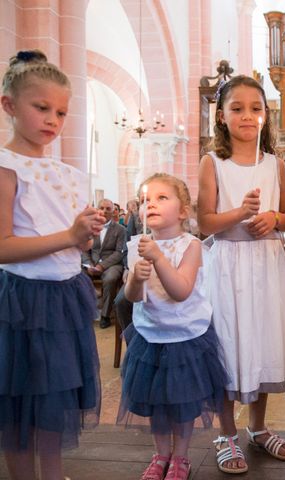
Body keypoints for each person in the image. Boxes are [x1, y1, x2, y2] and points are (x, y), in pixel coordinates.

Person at [0, 50, 104, 480]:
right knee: (23, 405)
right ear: (8, 105)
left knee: (56, 402)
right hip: (26, 302)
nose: (52, 120)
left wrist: (88, 230)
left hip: (66, 295)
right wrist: (70, 236)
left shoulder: (67, 173)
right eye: (41, 107)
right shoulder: (6, 168)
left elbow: (73, 243)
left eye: (60, 112)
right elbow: (3, 247)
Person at [197, 75, 285, 474]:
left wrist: (273, 217)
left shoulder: (275, 164)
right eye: (237, 108)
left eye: (256, 109)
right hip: (229, 266)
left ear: (266, 116)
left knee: (261, 342)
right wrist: (240, 212)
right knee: (228, 343)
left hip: (266, 265)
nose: (247, 116)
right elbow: (204, 222)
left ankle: (257, 427)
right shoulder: (213, 163)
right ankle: (226, 433)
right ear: (221, 116)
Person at [119, 173, 228, 480]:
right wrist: (135, 279)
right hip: (150, 336)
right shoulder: (136, 244)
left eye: (161, 197)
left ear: (182, 211)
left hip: (185, 337)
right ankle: (160, 454)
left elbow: (180, 290)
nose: (150, 204)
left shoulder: (190, 246)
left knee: (181, 402)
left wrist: (157, 258)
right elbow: (133, 298)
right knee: (156, 402)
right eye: (145, 200)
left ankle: (180, 457)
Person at [81, 198, 126, 328]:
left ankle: (105, 315)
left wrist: (102, 265)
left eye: (108, 209)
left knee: (111, 278)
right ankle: (86, 311)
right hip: (92, 262)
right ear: (97, 209)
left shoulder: (120, 229)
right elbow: (84, 249)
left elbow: (119, 252)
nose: (104, 211)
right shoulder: (89, 227)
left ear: (113, 212)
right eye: (101, 208)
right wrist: (89, 264)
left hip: (111, 264)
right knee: (78, 275)